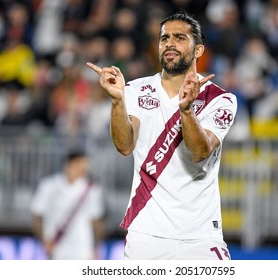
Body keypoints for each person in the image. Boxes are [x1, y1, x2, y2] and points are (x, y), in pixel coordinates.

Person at [86, 11, 237, 260]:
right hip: (147, 234)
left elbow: (200, 152)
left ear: (198, 50)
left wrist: (186, 110)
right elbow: (124, 146)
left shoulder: (219, 99)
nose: (169, 43)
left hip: (199, 236)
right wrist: (117, 102)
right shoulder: (134, 90)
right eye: (164, 38)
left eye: (179, 37)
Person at [30, 149, 105, 260]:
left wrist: (96, 247)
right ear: (70, 164)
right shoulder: (49, 186)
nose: (85, 168)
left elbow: (96, 222)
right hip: (57, 250)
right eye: (81, 164)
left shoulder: (92, 190)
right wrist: (44, 240)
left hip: (83, 250)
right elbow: (37, 217)